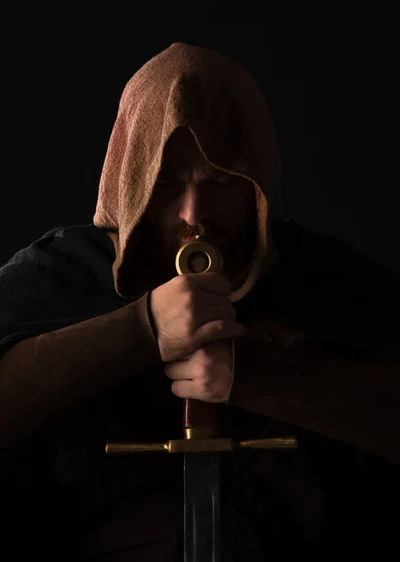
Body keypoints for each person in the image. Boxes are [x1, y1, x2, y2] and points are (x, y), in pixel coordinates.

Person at [0, 42, 399, 561]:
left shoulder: (318, 274)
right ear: (132, 175)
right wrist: (144, 330)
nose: (195, 215)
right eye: (167, 182)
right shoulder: (64, 271)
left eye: (221, 181)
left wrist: (255, 375)